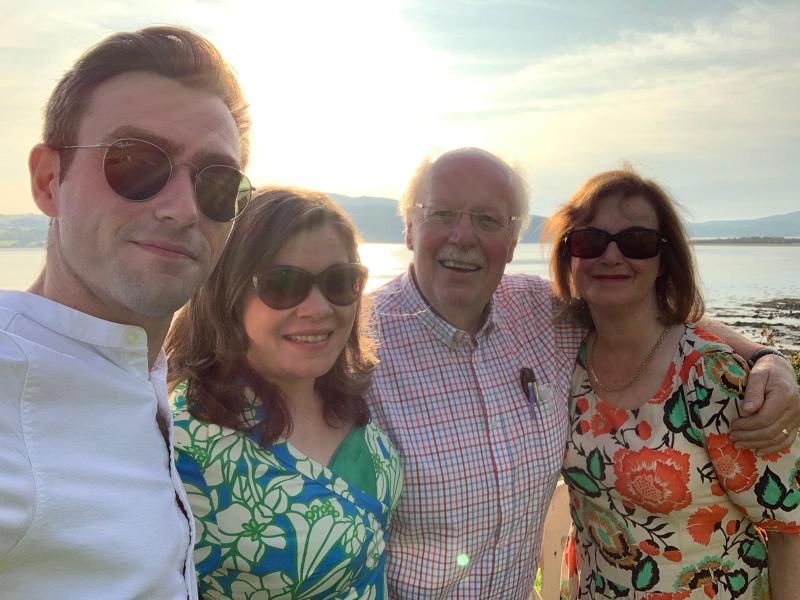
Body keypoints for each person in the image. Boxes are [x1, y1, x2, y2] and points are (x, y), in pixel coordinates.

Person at [365, 147, 800, 598]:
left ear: (513, 241)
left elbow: (652, 317)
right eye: (441, 213)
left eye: (488, 219)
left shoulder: (544, 317)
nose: (463, 235)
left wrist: (767, 357)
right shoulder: (355, 344)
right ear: (409, 229)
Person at [0, 26, 252, 598]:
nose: (183, 209)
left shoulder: (137, 374)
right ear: (47, 180)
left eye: (219, 184)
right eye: (136, 162)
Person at [547, 168, 800, 598]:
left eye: (636, 242)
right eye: (590, 240)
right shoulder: (563, 354)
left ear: (664, 260)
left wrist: (768, 357)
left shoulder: (709, 377)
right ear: (569, 254)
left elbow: (790, 527)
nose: (611, 257)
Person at [166, 188, 403, 599]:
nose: (317, 308)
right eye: (282, 284)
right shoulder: (183, 448)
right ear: (228, 292)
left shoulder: (352, 398)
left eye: (340, 282)